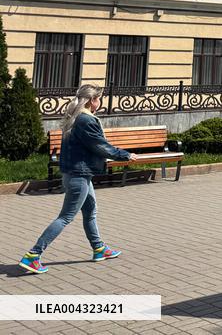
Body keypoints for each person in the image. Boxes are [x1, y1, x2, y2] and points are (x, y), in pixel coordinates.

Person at [19, 85, 136, 275]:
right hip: (78, 175)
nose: (100, 103)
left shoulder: (76, 117)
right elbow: (100, 146)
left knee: (90, 211)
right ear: (92, 100)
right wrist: (124, 155)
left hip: (78, 173)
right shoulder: (85, 120)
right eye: (99, 99)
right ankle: (33, 255)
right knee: (66, 217)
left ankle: (99, 248)